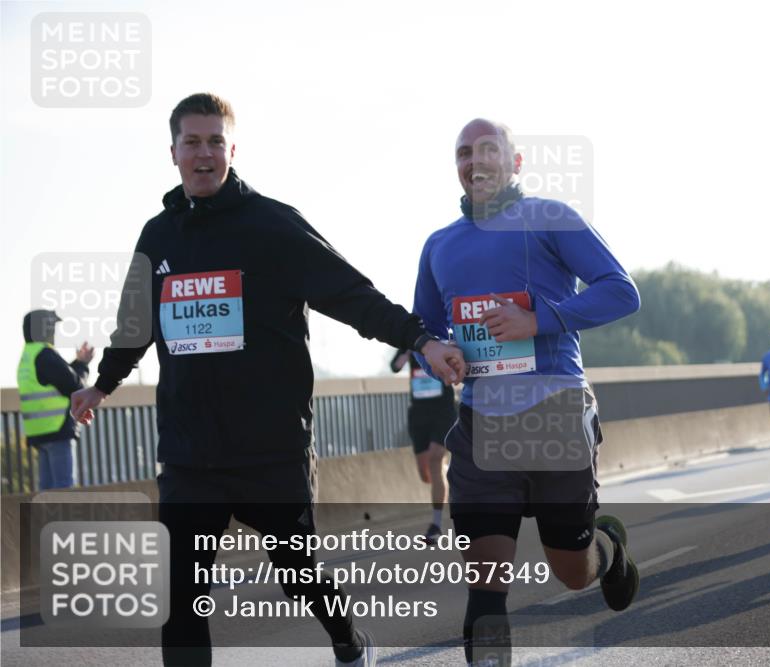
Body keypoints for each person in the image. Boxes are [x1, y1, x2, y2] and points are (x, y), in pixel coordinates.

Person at [70, 93, 466, 667]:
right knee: (181, 596)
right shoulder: (157, 237)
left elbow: (350, 293)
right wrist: (101, 385)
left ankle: (349, 641)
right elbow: (136, 326)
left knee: (298, 575)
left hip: (271, 449)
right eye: (191, 142)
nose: (203, 154)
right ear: (173, 152)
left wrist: (420, 340)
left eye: (215, 142)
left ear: (232, 150)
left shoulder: (271, 225)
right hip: (188, 454)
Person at [412, 119, 641, 666]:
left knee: (572, 572)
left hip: (556, 412)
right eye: (463, 153)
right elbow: (425, 329)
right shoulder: (439, 245)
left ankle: (607, 551)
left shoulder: (549, 218)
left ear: (515, 163)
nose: (474, 161)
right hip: (480, 421)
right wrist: (437, 352)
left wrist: (538, 320)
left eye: (488, 149)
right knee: (485, 584)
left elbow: (621, 291)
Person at [16, 310, 93, 490]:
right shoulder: (45, 355)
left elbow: (57, 379)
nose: (54, 333)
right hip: (57, 429)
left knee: (47, 488)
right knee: (63, 488)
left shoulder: (28, 355)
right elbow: (75, 386)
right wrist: (83, 364)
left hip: (39, 431)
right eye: (52, 327)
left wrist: (78, 363)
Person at [390, 347, 456, 540]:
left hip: (443, 410)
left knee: (435, 460)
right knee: (425, 474)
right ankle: (447, 474)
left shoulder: (442, 341)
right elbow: (395, 367)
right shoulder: (409, 342)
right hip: (419, 413)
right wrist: (408, 350)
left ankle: (436, 525)